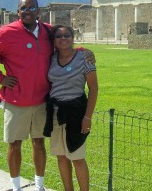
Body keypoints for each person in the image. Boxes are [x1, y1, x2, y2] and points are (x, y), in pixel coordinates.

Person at [0, 0, 94, 191]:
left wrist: (84, 50)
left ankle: (39, 185)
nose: (28, 11)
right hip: (16, 99)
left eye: (32, 7)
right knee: (14, 144)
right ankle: (16, 186)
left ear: (39, 11)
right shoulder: (7, 32)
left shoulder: (48, 31)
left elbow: (64, 43)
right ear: (18, 12)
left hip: (42, 100)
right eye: (24, 8)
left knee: (38, 143)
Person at [43, 25, 98, 191]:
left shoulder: (84, 58)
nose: (63, 38)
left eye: (67, 35)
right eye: (58, 36)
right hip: (56, 112)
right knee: (61, 156)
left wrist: (87, 117)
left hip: (76, 112)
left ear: (73, 38)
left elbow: (94, 88)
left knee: (77, 157)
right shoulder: (52, 58)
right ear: (54, 40)